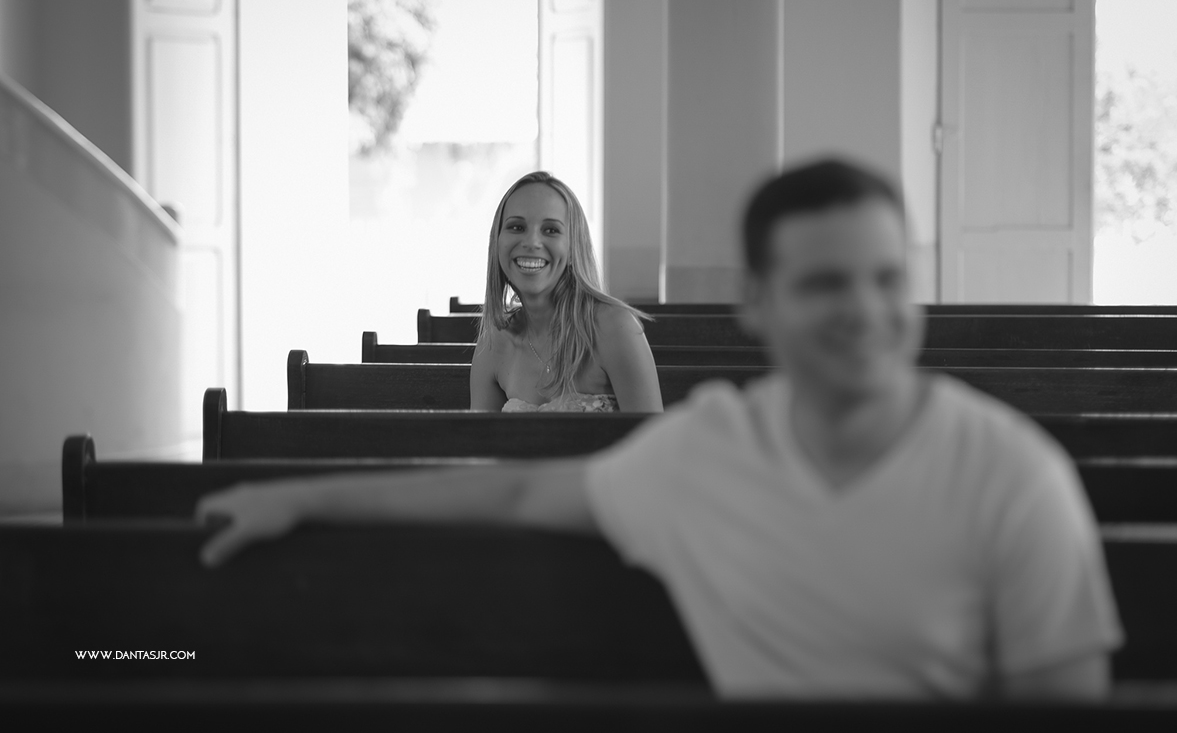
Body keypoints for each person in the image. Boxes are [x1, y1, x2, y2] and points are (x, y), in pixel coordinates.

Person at [197, 158, 1121, 700]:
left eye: (886, 279)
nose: (865, 311)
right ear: (758, 303)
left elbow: (1068, 707)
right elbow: (509, 482)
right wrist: (299, 494)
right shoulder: (707, 454)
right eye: (823, 283)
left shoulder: (1013, 473)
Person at [471, 171, 662, 413]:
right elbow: (478, 444)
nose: (531, 242)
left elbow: (652, 444)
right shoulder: (494, 343)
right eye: (517, 227)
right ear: (497, 243)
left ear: (574, 246)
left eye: (551, 230)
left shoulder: (616, 328)